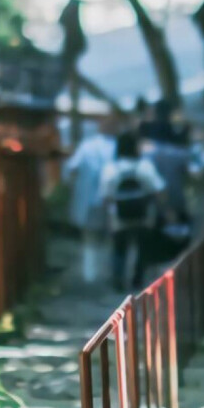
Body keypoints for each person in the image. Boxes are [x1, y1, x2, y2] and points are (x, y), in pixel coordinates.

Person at [99, 129, 167, 290]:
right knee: (142, 248)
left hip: (118, 216)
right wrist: (161, 209)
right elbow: (159, 190)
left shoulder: (110, 168)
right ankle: (137, 280)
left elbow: (105, 196)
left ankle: (118, 279)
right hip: (143, 216)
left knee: (119, 248)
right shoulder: (145, 166)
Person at [62, 121, 115, 285]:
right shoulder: (115, 146)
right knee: (109, 237)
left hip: (87, 199)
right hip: (110, 199)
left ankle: (90, 273)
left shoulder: (86, 146)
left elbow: (71, 168)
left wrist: (73, 187)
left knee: (90, 237)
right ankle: (107, 272)